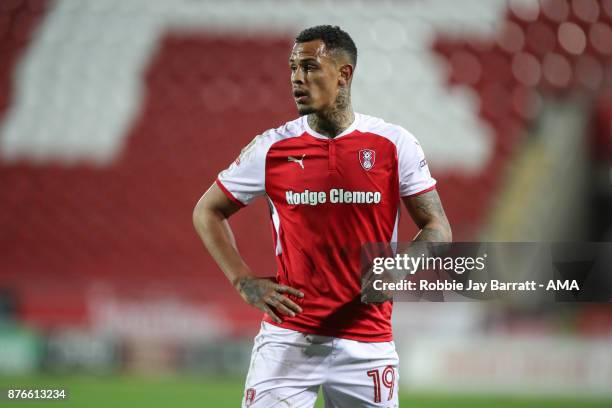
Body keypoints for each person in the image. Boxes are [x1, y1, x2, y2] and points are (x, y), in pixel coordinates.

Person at [193, 25, 451, 408]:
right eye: (293, 68)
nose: (297, 78)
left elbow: (437, 229)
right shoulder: (272, 148)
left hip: (368, 343)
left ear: (344, 74)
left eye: (310, 67)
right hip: (288, 342)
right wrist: (243, 280)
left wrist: (397, 268)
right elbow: (207, 211)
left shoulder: (394, 145)